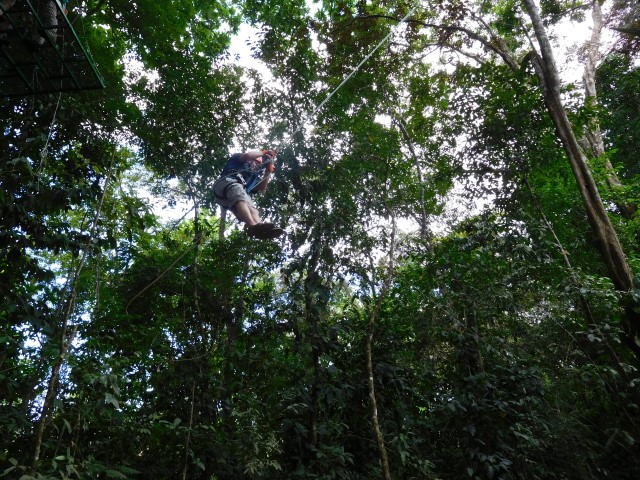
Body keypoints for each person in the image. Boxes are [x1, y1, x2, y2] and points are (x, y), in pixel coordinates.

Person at [213, 149, 284, 240]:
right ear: (251, 160)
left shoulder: (253, 176)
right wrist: (263, 153)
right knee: (241, 197)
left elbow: (262, 187)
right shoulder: (238, 159)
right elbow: (247, 156)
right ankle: (252, 225)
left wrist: (268, 170)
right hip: (225, 184)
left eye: (258, 165)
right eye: (255, 162)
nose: (256, 166)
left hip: (229, 198)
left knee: (252, 208)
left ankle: (260, 228)